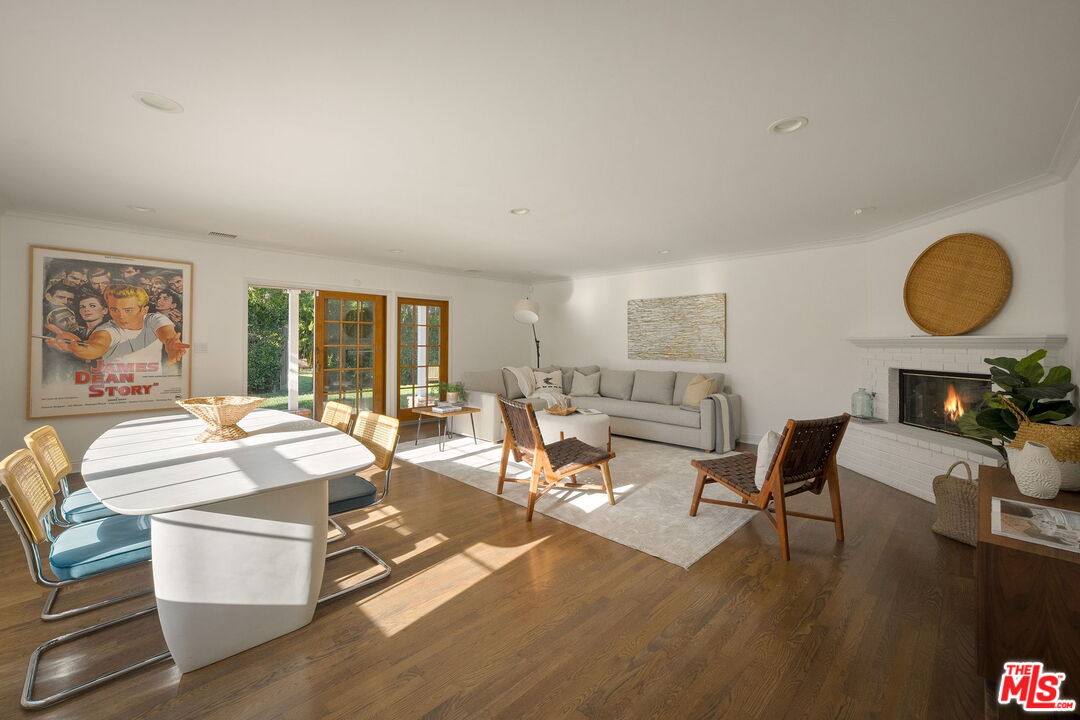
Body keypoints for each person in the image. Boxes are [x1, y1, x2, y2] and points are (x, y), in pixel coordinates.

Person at [45, 284, 189, 366]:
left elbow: (167, 334)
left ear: (144, 310)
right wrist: (80, 348)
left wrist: (171, 344)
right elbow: (97, 347)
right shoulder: (106, 329)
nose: (121, 316)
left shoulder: (154, 319)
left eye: (128, 310)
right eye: (115, 309)